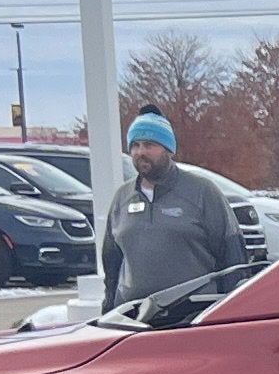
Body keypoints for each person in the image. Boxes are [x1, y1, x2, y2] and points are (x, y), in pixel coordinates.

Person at [102, 114, 241, 307]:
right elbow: (112, 263)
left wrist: (232, 312)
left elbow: (233, 258)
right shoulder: (122, 198)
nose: (141, 152)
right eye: (135, 145)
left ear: (169, 150)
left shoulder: (202, 192)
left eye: (149, 145)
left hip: (192, 315)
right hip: (134, 318)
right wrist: (108, 309)